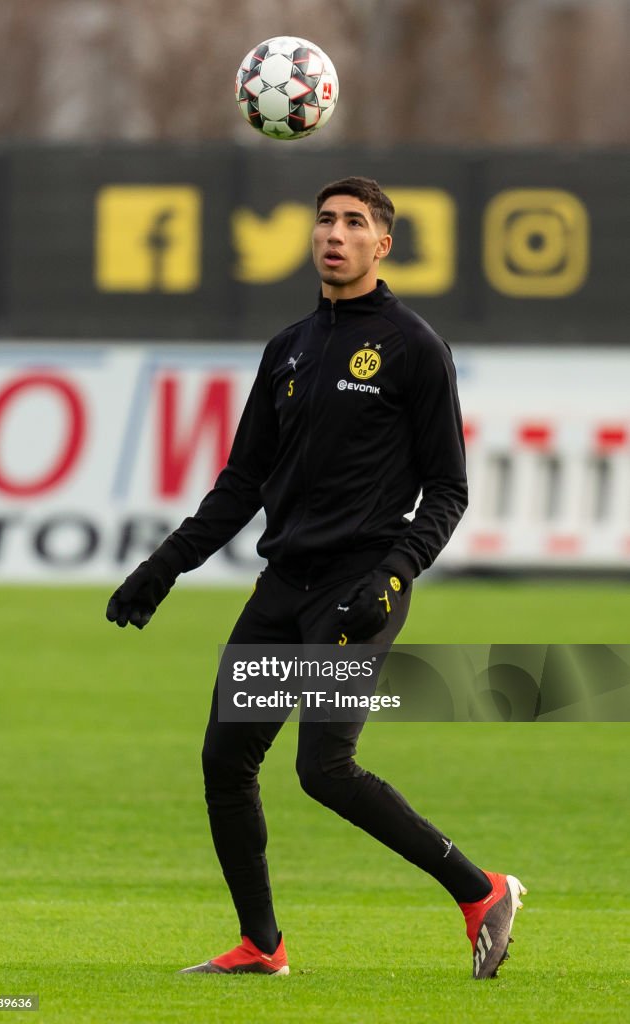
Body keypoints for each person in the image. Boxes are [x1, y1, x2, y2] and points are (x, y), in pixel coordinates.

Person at [106, 176, 526, 980]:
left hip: (357, 587)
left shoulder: (411, 347)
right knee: (226, 764)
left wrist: (397, 573)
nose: (334, 233)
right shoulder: (289, 348)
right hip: (283, 588)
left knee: (323, 770)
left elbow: (448, 488)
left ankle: (481, 892)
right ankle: (262, 947)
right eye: (325, 220)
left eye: (353, 223)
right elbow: (241, 482)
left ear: (382, 244)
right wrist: (162, 568)